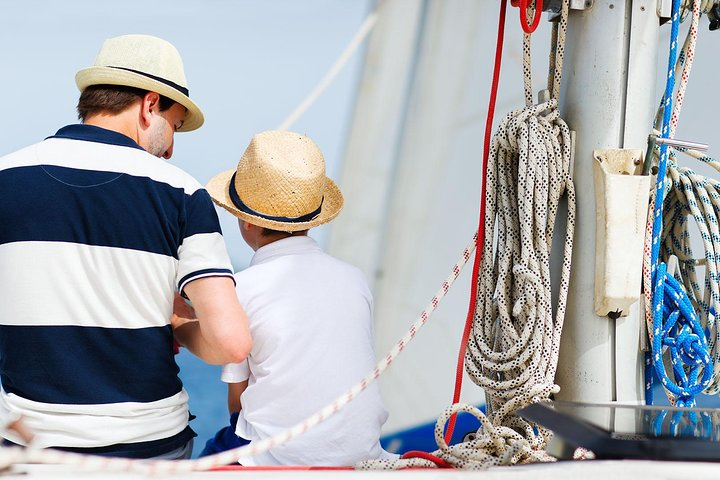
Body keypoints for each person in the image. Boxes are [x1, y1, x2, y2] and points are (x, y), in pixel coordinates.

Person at [0, 34, 251, 459]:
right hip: (148, 449)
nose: (170, 147)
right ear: (150, 105)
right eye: (173, 125)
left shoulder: (7, 176)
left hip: (29, 450)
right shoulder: (182, 192)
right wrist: (178, 324)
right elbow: (231, 343)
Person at [199, 130, 395, 465]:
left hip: (279, 455)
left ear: (245, 221)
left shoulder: (241, 288)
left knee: (208, 456)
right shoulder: (355, 279)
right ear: (312, 219)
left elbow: (238, 403)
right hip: (362, 451)